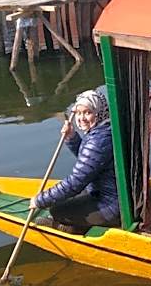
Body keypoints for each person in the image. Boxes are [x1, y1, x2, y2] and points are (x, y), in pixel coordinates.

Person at [30, 88, 120, 231]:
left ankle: (70, 229)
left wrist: (40, 200)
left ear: (98, 112)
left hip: (110, 206)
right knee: (67, 199)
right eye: (78, 113)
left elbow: (75, 182)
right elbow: (92, 162)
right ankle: (78, 225)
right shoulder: (104, 130)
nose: (81, 118)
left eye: (88, 112)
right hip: (108, 194)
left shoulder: (98, 140)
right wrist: (72, 138)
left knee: (56, 210)